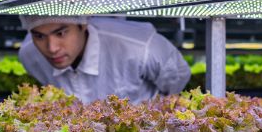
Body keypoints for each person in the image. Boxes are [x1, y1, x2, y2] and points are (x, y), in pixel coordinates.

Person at [17, 15, 191, 103]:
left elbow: (177, 78)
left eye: (61, 33)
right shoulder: (29, 55)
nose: (51, 48)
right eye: (39, 36)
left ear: (83, 24)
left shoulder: (140, 46)